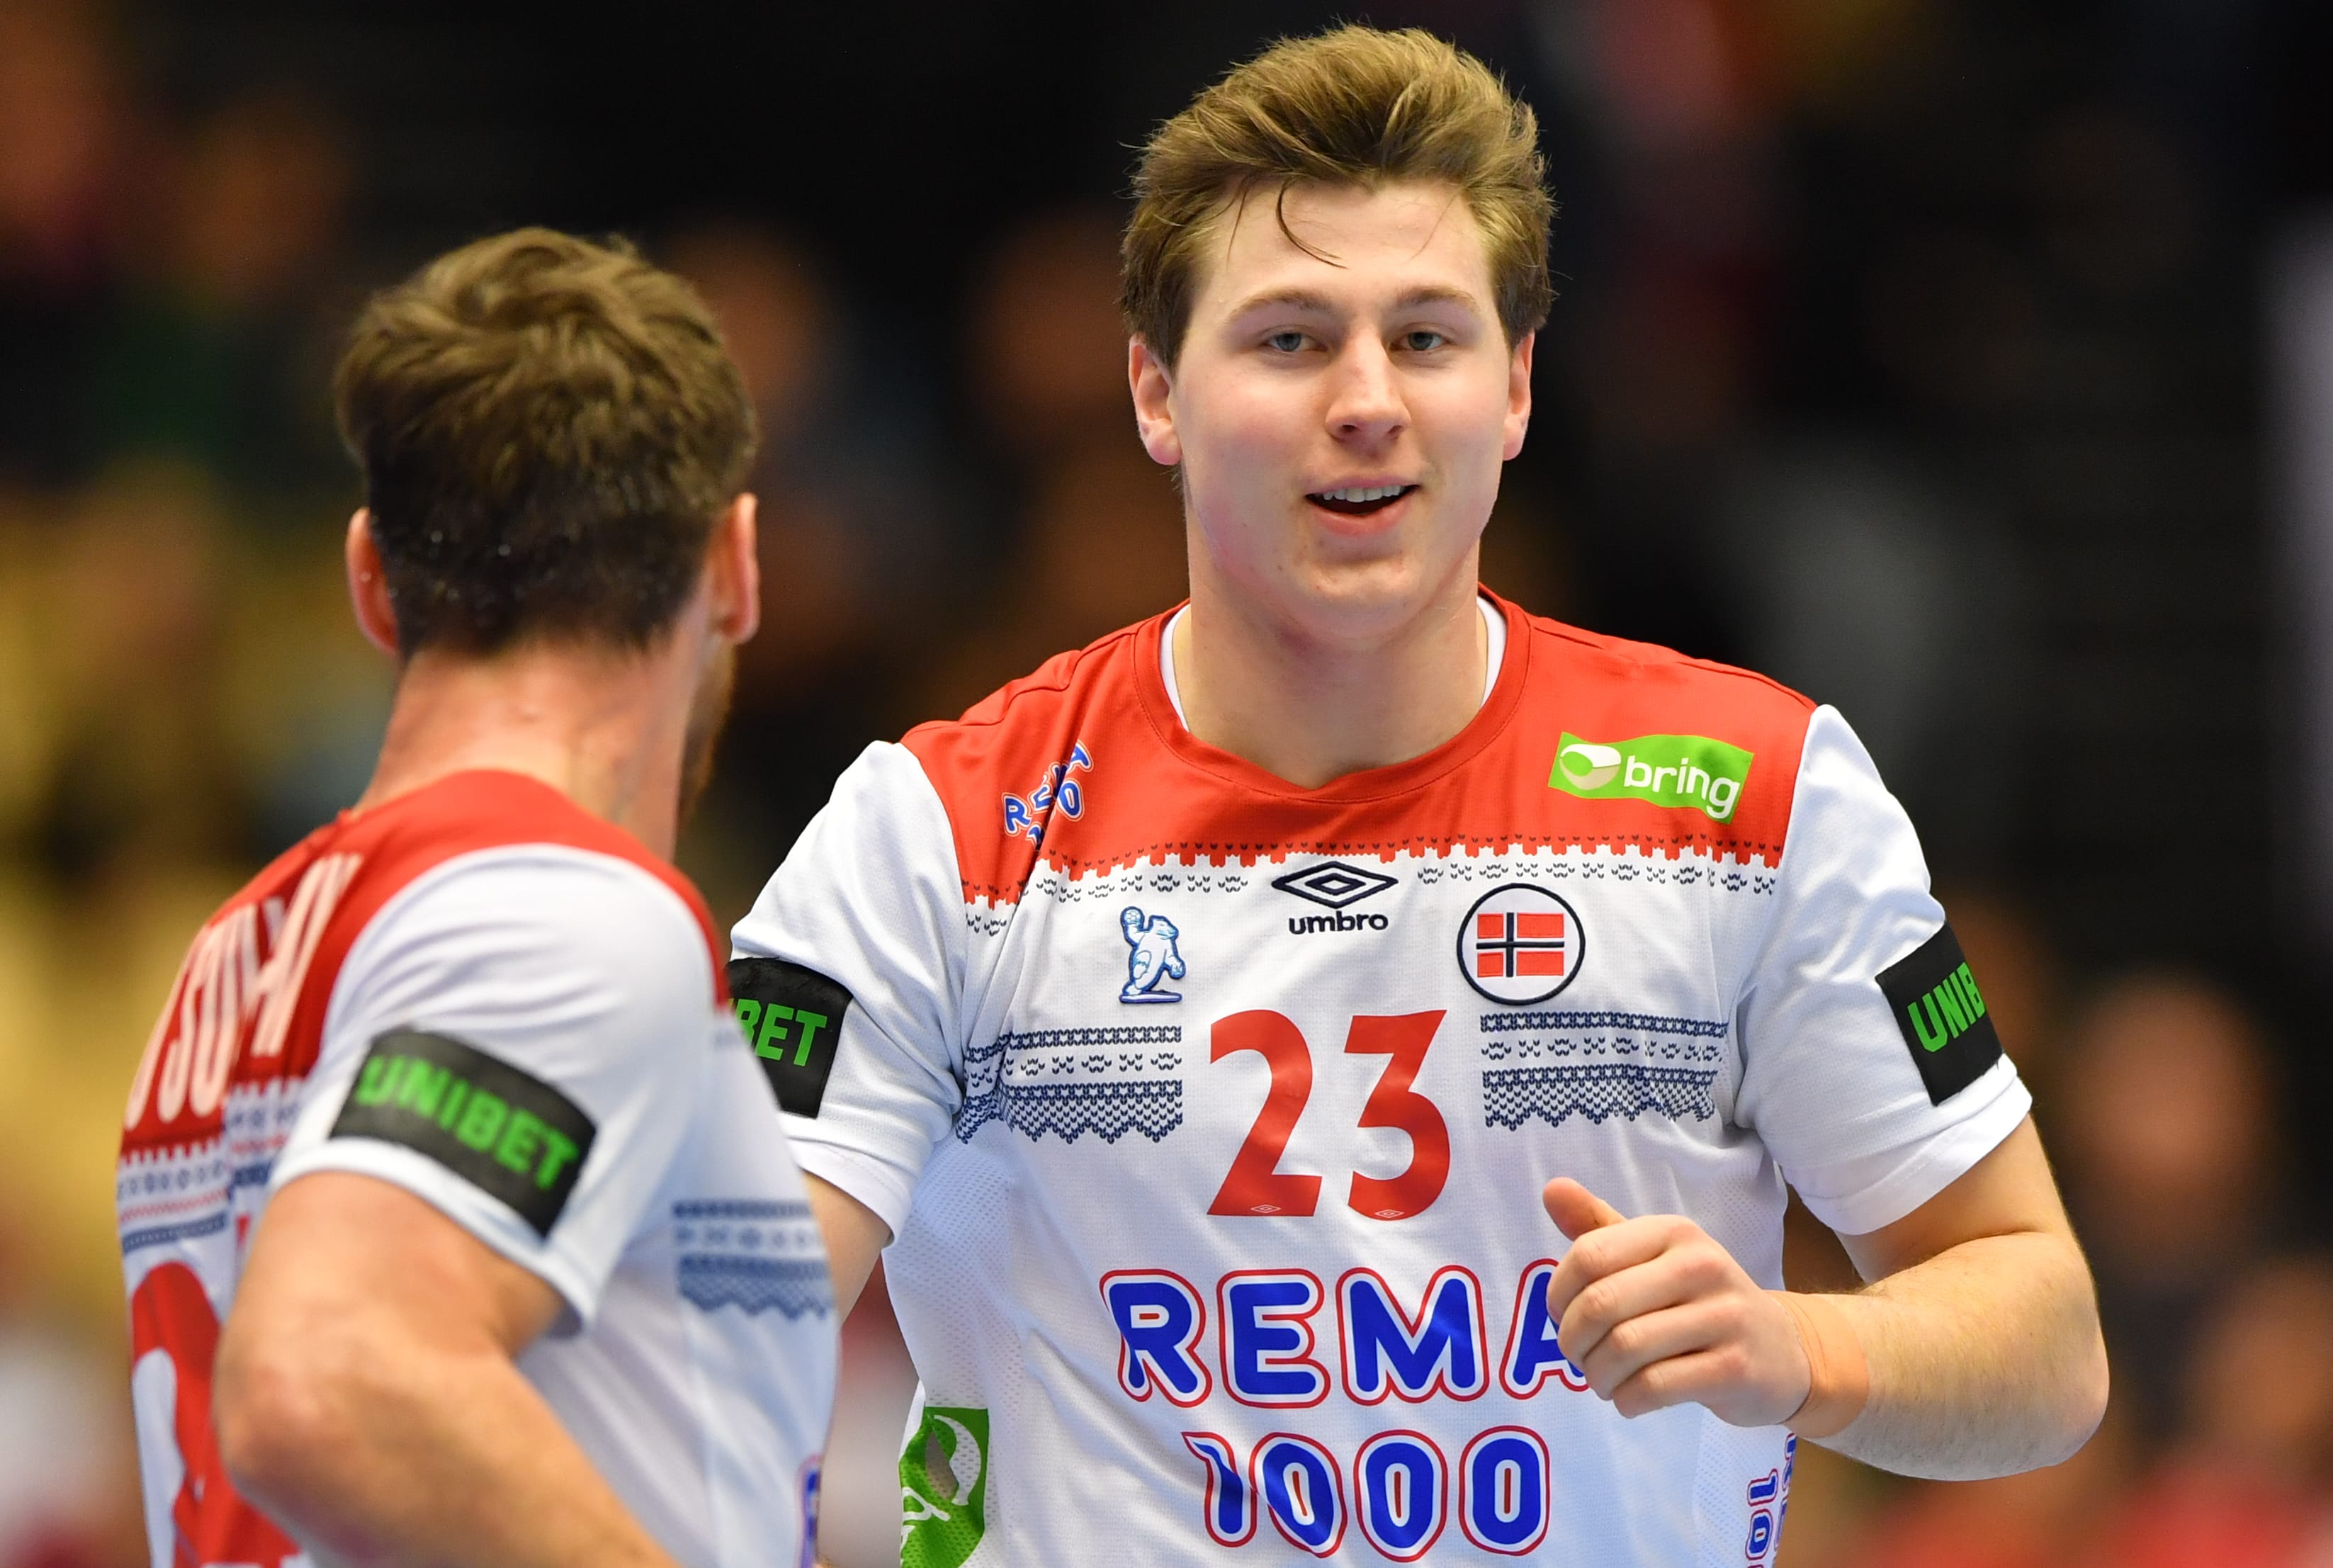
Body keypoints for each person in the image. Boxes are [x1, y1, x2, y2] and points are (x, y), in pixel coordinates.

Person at [735, 26, 2105, 1564]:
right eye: (1289, 339)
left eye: (1428, 337)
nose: (1367, 399)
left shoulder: (1758, 795)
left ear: (1513, 388)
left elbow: (2047, 1344)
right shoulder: (933, 833)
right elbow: (718, 1320)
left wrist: (1801, 1348)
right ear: (1156, 394)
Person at [115, 229, 835, 1568]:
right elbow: (326, 1377)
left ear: (370, 581)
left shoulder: (236, 955)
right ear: (737, 563)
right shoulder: (565, 912)